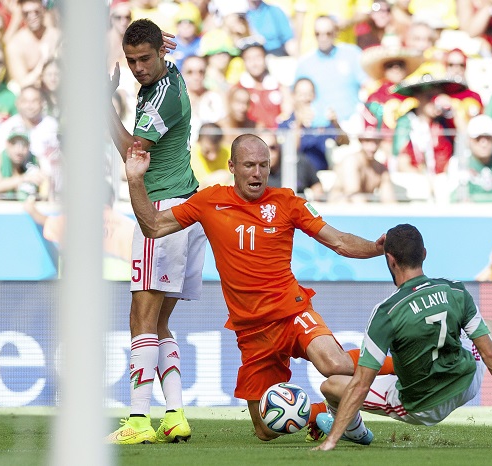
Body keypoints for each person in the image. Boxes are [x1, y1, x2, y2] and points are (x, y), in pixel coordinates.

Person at [124, 133, 385, 442]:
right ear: (232, 166)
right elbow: (153, 226)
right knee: (265, 430)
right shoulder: (209, 201)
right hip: (252, 331)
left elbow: (339, 241)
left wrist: (377, 248)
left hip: (291, 313)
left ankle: (404, 364)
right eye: (249, 165)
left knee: (334, 364)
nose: (257, 173)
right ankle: (321, 413)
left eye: (264, 165)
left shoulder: (287, 202)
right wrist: (135, 180)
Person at [312, 224, 492, 450]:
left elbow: (361, 384)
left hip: (420, 406)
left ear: (390, 260)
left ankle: (354, 433)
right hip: (467, 383)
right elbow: (489, 353)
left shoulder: (385, 313)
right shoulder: (455, 290)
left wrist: (330, 441)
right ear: (424, 254)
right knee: (491, 329)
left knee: (331, 386)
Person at [106, 18, 208, 445]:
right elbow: (154, 46)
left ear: (160, 53)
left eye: (144, 59)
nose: (138, 68)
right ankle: (175, 416)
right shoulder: (168, 75)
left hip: (161, 213)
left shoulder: (161, 98)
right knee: (159, 321)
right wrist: (157, 40)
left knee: (141, 319)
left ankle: (138, 419)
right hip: (185, 209)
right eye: (131, 60)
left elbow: (134, 154)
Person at [5, 0, 61, 88]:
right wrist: (43, 63)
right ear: (21, 14)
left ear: (43, 10)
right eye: (26, 13)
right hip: (30, 92)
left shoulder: (57, 37)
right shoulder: (16, 44)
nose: (32, 16)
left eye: (36, 12)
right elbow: (22, 83)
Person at [262, 131, 323, 199]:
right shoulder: (254, 173)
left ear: (279, 147)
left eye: (272, 147)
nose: (268, 153)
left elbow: (317, 187)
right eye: (262, 149)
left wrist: (313, 200)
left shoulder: (299, 162)